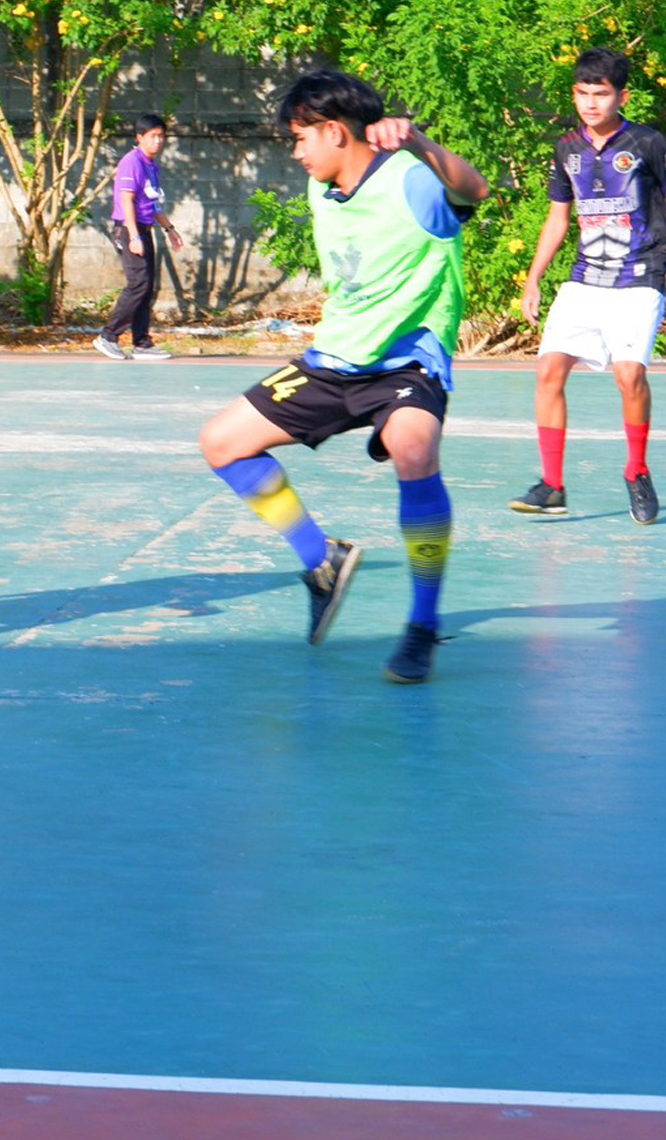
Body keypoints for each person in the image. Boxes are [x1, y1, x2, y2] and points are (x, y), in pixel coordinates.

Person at [197, 70, 488, 684]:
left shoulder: (410, 178)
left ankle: (423, 625)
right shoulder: (322, 188)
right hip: (334, 360)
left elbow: (475, 190)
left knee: (414, 446)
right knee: (221, 442)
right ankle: (321, 559)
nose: (296, 151)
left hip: (407, 361)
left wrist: (422, 145)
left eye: (301, 137)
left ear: (334, 131)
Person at [511, 48, 666, 526]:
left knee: (629, 377)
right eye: (583, 94)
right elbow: (558, 218)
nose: (591, 103)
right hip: (584, 280)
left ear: (621, 95)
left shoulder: (647, 143)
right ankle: (553, 485)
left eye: (601, 94)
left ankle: (637, 470)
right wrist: (534, 278)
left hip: (640, 277)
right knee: (548, 372)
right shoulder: (567, 149)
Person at [94, 113, 184, 361]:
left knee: (147, 287)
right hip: (128, 229)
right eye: (153, 136)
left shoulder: (151, 165)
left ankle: (142, 343)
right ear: (139, 137)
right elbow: (126, 200)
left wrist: (170, 229)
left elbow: (153, 204)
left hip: (144, 229)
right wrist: (133, 236)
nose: (158, 141)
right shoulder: (131, 161)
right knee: (138, 284)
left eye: (161, 136)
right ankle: (108, 336)